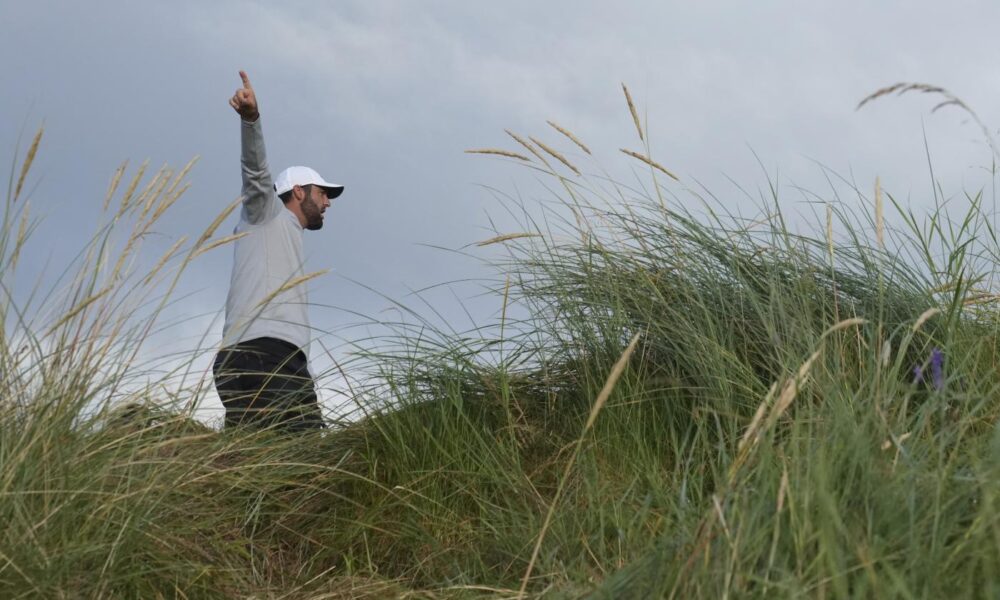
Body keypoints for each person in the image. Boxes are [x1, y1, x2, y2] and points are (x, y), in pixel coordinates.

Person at [212, 70, 344, 432]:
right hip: (267, 355)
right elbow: (256, 173)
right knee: (302, 454)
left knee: (252, 456)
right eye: (322, 193)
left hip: (257, 358)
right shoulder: (265, 214)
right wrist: (251, 120)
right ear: (298, 192)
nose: (328, 202)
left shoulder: (285, 235)